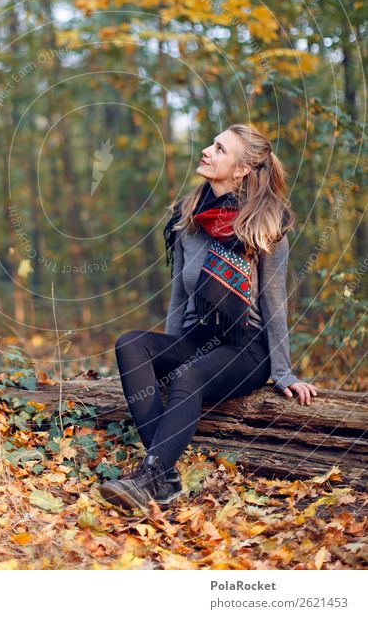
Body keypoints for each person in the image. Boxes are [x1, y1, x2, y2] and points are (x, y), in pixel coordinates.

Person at [99, 124, 318, 512]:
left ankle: (150, 476)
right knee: (131, 343)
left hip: (246, 347)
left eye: (219, 149)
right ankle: (161, 475)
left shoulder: (266, 225)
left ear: (241, 170)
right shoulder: (189, 218)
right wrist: (164, 361)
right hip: (198, 337)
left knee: (189, 374)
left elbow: (274, 303)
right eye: (211, 144)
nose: (206, 150)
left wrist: (284, 372)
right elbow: (178, 298)